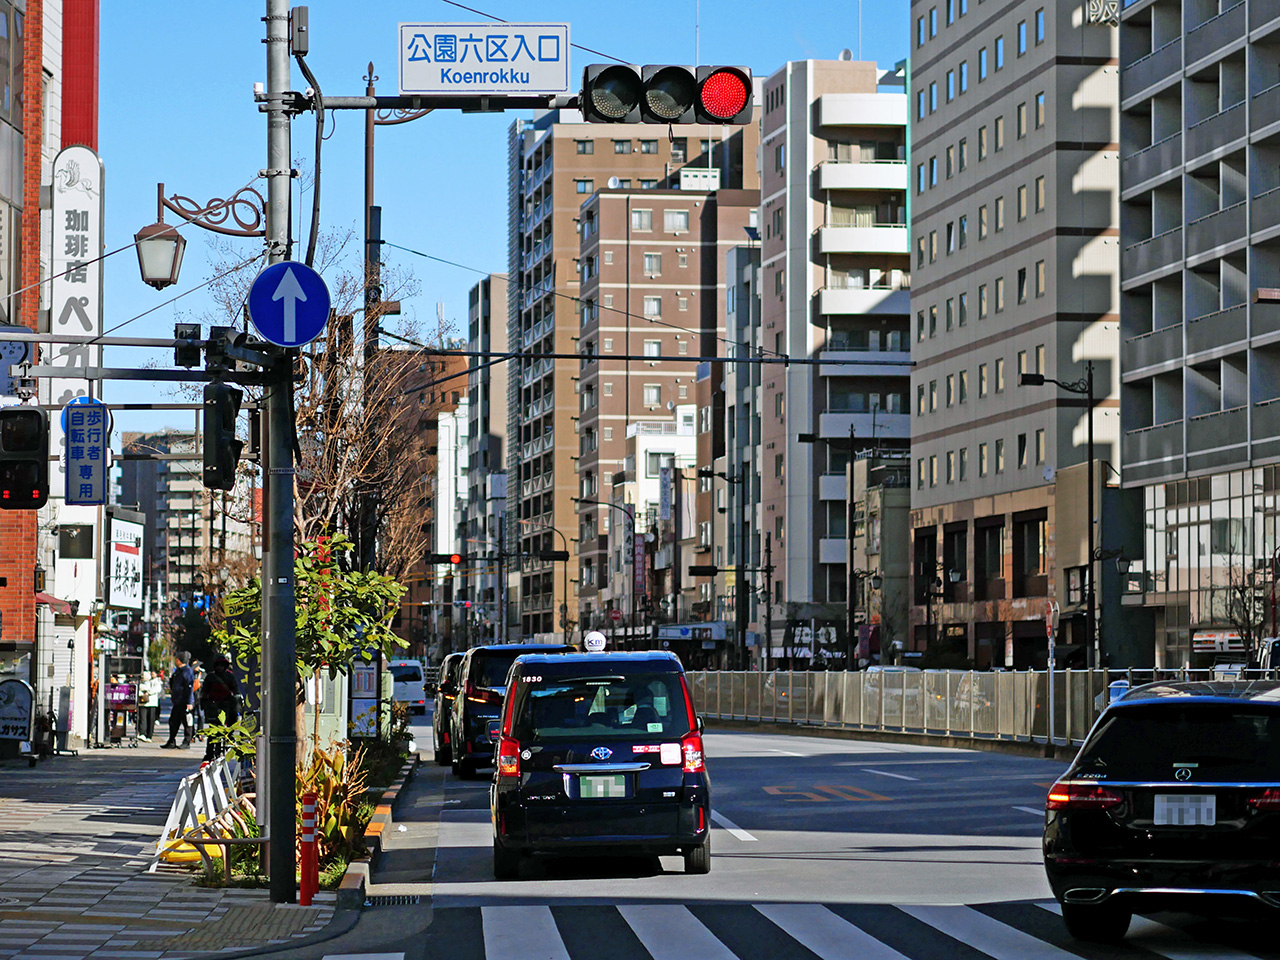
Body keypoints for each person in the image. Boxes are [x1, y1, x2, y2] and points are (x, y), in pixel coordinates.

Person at [200, 655, 240, 762]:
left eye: (222, 665)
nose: (220, 667)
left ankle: (227, 744)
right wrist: (205, 704)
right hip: (214, 706)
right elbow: (204, 692)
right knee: (213, 732)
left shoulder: (230, 676)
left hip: (228, 706)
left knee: (229, 729)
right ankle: (209, 753)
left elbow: (236, 691)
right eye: (218, 665)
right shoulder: (210, 677)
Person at [162, 652, 195, 749]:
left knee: (187, 722)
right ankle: (171, 740)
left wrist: (189, 702)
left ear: (179, 660)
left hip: (184, 701)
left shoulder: (187, 671)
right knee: (173, 721)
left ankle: (187, 742)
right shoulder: (178, 671)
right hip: (177, 701)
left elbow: (189, 687)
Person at [138, 671, 163, 742]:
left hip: (152, 703)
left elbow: (158, 689)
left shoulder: (155, 681)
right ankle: (142, 733)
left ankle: (149, 735)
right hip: (142, 703)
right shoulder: (140, 683)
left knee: (150, 719)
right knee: (142, 719)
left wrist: (147, 692)